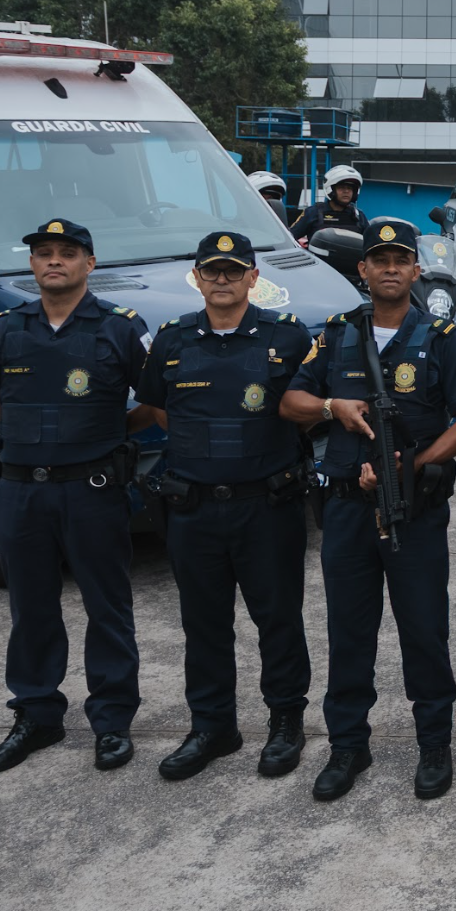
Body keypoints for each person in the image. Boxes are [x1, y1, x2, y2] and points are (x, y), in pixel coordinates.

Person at [281, 218, 456, 801]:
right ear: (362, 270)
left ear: (416, 270)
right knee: (349, 633)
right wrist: (330, 408)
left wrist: (412, 467)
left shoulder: (442, 336)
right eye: (379, 259)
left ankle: (434, 742)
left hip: (414, 511)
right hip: (345, 509)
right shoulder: (341, 333)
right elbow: (291, 401)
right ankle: (348, 745)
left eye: (401, 259)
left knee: (424, 629)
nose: (391, 268)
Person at [0, 219, 151, 775]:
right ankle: (36, 714)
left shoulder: (123, 327)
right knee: (31, 608)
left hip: (92, 489)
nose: (54, 261)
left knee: (108, 606)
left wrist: (105, 438)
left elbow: (156, 402)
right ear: (32, 265)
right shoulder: (5, 329)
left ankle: (112, 720)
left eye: (67, 253)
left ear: (89, 264)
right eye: (44, 253)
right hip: (20, 491)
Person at [136, 232, 315, 782]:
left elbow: (302, 408)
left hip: (266, 507)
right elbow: (162, 411)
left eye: (233, 271)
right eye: (211, 270)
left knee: (277, 619)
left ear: (253, 278)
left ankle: (286, 722)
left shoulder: (286, 337)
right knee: (204, 624)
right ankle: (212, 726)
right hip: (193, 510)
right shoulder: (172, 340)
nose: (222, 279)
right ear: (197, 276)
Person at [290, 165, 368, 241]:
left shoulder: (358, 216)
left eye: (350, 188)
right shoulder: (313, 212)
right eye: (341, 188)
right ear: (331, 190)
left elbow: (371, 244)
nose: (346, 191)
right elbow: (290, 237)